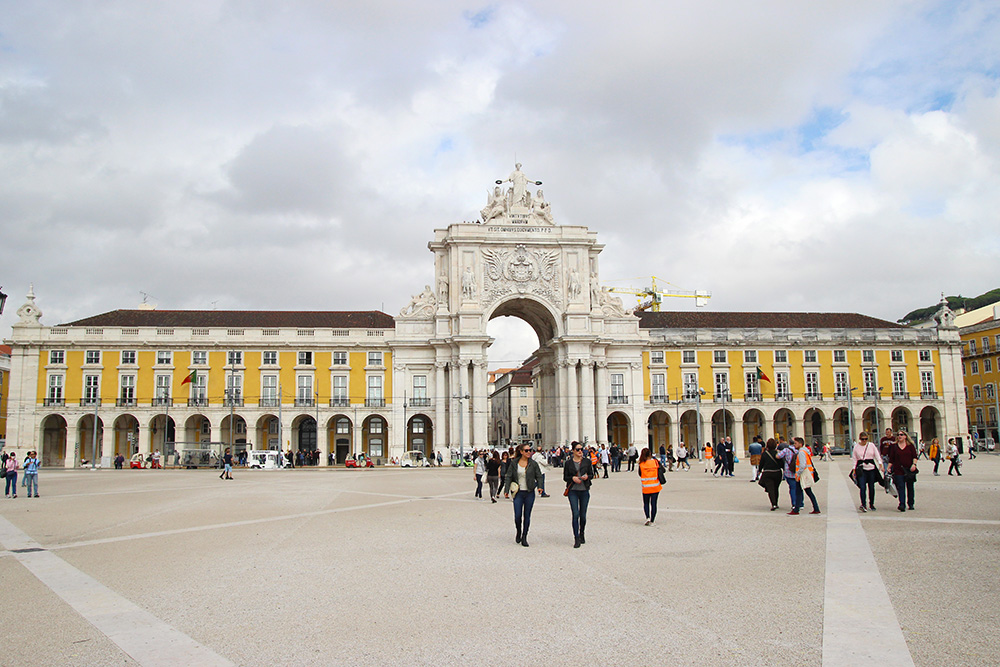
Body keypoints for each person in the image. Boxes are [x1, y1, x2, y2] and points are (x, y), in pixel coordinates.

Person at [504, 443, 542, 547]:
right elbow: (509, 476)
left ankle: (524, 536)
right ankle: (518, 531)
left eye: (530, 450)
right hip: (518, 493)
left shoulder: (533, 464)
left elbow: (539, 476)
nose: (529, 452)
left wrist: (540, 486)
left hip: (529, 492)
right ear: (521, 452)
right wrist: (506, 489)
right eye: (526, 450)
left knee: (527, 516)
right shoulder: (514, 463)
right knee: (517, 516)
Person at [563, 441, 594, 548]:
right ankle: (576, 538)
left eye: (581, 449)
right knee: (575, 514)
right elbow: (565, 477)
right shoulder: (568, 463)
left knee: (583, 515)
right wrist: (572, 478)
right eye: (578, 449)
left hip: (584, 490)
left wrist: (587, 477)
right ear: (573, 451)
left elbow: (591, 474)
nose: (580, 451)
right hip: (573, 491)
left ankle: (582, 533)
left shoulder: (587, 462)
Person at [851, 431, 884, 512]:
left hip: (871, 468)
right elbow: (854, 459)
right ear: (860, 439)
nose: (864, 441)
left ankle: (871, 503)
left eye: (866, 439)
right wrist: (853, 469)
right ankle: (863, 504)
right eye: (863, 439)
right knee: (862, 487)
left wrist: (880, 463)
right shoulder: (856, 447)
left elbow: (877, 455)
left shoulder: (871, 445)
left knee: (871, 487)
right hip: (861, 469)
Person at [888, 431, 918, 512]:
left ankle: (911, 503)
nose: (899, 436)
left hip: (909, 470)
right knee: (901, 487)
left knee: (910, 487)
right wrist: (888, 467)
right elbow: (891, 458)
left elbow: (915, 456)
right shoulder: (894, 446)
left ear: (905, 436)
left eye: (901, 435)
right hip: (898, 470)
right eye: (898, 435)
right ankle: (902, 504)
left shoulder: (910, 446)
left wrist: (914, 464)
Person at [793, 437, 821, 514]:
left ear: (800, 444)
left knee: (800, 492)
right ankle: (815, 508)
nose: (794, 445)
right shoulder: (805, 451)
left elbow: (802, 465)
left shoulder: (801, 452)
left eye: (795, 443)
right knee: (806, 492)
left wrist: (798, 474)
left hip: (803, 475)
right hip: (806, 474)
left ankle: (796, 509)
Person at [637, 447, 662, 526]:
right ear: (650, 454)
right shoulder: (655, 462)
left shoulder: (641, 464)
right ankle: (652, 520)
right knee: (654, 504)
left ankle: (647, 517)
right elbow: (663, 470)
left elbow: (640, 474)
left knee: (646, 503)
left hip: (646, 486)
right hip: (655, 486)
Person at [757, 439, 784, 511]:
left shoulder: (765, 454)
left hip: (768, 473)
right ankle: (776, 503)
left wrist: (759, 471)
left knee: (771, 489)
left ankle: (773, 504)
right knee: (776, 488)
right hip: (777, 472)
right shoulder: (778, 453)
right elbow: (782, 464)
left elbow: (761, 463)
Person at [781, 440, 800, 514]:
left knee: (792, 488)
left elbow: (778, 456)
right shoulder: (799, 451)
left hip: (789, 472)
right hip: (797, 472)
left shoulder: (786, 450)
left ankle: (794, 504)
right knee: (799, 489)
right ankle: (800, 504)